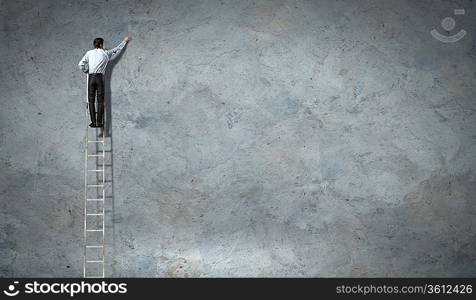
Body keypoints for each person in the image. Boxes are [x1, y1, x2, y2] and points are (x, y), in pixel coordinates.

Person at [78, 36, 132, 127]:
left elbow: (80, 64)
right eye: (104, 43)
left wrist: (86, 71)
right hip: (100, 78)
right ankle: (99, 122)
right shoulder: (106, 53)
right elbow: (117, 49)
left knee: (91, 101)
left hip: (91, 77)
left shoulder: (89, 53)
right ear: (100, 44)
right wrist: (124, 41)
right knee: (100, 101)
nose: (105, 45)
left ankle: (93, 122)